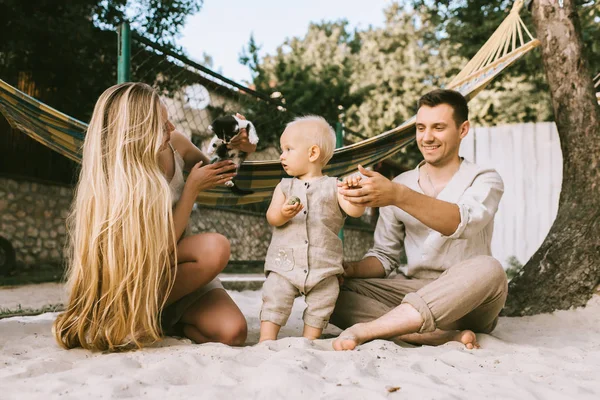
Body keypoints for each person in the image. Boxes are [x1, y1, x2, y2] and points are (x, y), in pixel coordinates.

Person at [53, 82, 253, 351]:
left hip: (176, 274)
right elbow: (156, 247)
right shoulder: (120, 180)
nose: (171, 128)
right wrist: (191, 189)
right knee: (215, 248)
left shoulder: (175, 144)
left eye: (168, 120)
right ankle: (133, 314)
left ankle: (156, 319)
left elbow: (218, 169)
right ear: (136, 132)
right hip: (138, 275)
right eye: (162, 124)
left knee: (233, 333)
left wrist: (236, 144)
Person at [330, 89, 507, 351]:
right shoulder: (400, 184)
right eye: (421, 127)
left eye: (438, 127)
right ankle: (440, 337)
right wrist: (348, 270)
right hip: (413, 291)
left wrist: (398, 196)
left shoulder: (484, 178)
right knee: (330, 293)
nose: (427, 137)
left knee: (490, 269)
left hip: (469, 297)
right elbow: (384, 257)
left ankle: (369, 329)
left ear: (463, 129)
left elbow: (459, 222)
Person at [259, 116, 365, 342]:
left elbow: (354, 211)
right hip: (284, 264)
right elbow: (272, 217)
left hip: (323, 266)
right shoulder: (284, 186)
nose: (281, 155)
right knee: (275, 297)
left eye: (288, 149)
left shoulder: (334, 186)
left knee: (323, 302)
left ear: (313, 153)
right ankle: (266, 340)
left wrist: (356, 196)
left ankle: (310, 341)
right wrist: (282, 214)